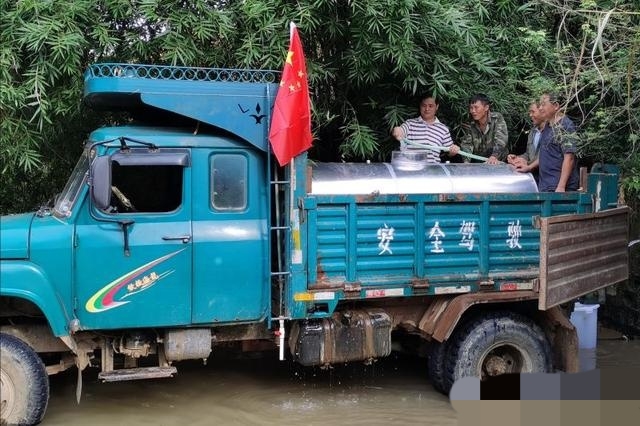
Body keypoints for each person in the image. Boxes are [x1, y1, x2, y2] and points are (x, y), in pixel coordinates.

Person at [392, 95, 460, 163]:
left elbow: (449, 152)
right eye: (424, 105)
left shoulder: (443, 129)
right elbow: (400, 130)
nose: (427, 109)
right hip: (411, 168)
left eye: (430, 106)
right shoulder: (410, 123)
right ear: (420, 106)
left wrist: (453, 151)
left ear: (437, 107)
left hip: (432, 170)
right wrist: (397, 130)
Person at [536, 92, 580, 192]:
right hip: (546, 185)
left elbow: (569, 158)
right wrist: (528, 166)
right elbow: (546, 154)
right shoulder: (547, 126)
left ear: (556, 106)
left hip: (559, 187)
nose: (540, 108)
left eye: (543, 104)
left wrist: (561, 186)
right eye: (540, 105)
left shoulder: (565, 126)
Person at [459, 94, 508, 164]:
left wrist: (494, 156)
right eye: (471, 108)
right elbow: (467, 145)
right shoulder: (469, 123)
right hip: (478, 163)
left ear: (486, 108)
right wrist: (466, 163)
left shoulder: (497, 118)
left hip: (498, 161)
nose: (473, 111)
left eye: (476, 107)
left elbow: (501, 140)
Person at [507, 101, 545, 183]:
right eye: (529, 112)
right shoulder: (533, 131)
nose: (530, 115)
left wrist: (526, 163)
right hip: (533, 178)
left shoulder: (551, 132)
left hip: (546, 179)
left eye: (533, 112)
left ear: (542, 111)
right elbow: (529, 154)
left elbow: (545, 157)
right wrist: (518, 158)